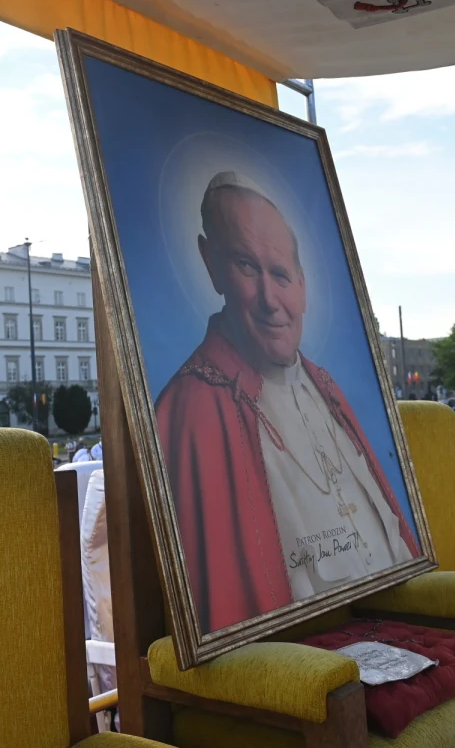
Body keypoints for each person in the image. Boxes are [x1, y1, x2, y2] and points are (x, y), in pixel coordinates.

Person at [155, 171, 420, 635]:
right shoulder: (194, 408)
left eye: (280, 275)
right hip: (304, 664)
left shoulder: (325, 387)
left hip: (391, 624)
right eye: (245, 266)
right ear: (211, 264)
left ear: (302, 285)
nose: (269, 300)